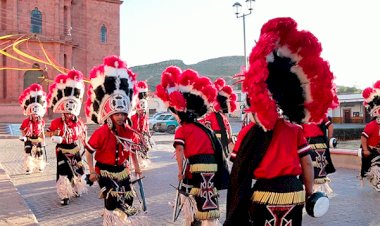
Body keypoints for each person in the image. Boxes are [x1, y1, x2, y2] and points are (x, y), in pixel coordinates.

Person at [225, 17, 339, 225]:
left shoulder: (248, 132)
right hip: (293, 193)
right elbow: (306, 163)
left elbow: (238, 166)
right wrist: (309, 191)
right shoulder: (295, 130)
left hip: (263, 194)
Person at [156, 66, 227, 225]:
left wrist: (180, 171)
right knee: (208, 199)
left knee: (192, 200)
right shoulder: (205, 129)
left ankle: (194, 222)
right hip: (212, 169)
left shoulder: (182, 130)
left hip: (194, 169)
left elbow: (180, 150)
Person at [84, 55, 143, 225]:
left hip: (122, 170)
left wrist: (137, 167)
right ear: (110, 115)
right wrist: (92, 171)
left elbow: (131, 150)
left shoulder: (128, 131)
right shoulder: (102, 132)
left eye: (123, 114)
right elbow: (88, 152)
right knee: (111, 200)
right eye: (117, 114)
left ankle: (122, 222)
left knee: (128, 200)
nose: (120, 117)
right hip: (104, 171)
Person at [45, 70, 87, 205]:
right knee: (64, 172)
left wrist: (85, 144)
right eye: (67, 111)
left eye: (71, 111)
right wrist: (54, 136)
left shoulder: (79, 122)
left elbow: (82, 133)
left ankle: (76, 189)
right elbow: (48, 133)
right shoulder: (56, 122)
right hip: (62, 150)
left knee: (78, 170)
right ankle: (64, 195)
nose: (69, 114)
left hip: (74, 148)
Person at [199, 78, 237, 158]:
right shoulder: (222, 116)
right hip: (222, 140)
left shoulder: (212, 115)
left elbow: (207, 127)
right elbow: (228, 128)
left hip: (217, 142)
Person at [302, 116, 336, 196]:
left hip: (316, 144)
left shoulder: (320, 114)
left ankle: (316, 192)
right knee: (311, 168)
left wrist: (329, 140)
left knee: (318, 169)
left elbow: (330, 126)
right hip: (307, 144)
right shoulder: (302, 115)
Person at [18, 83, 47, 174]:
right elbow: (22, 129)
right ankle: (29, 167)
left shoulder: (41, 121)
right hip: (29, 138)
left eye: (36, 114)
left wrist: (43, 139)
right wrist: (24, 137)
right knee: (28, 153)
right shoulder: (26, 121)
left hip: (37, 138)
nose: (35, 116)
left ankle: (40, 166)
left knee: (40, 153)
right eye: (33, 114)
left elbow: (42, 131)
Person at [360, 81, 380, 192]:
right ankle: (376, 182)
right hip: (373, 151)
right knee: (375, 167)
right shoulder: (371, 125)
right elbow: (364, 137)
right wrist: (365, 149)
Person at [130, 81, 151, 162]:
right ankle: (138, 161)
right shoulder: (133, 116)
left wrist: (147, 131)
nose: (141, 112)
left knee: (143, 147)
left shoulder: (144, 115)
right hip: (136, 134)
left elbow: (146, 122)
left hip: (141, 133)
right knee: (136, 148)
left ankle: (142, 160)